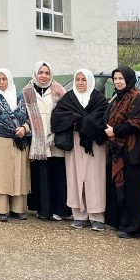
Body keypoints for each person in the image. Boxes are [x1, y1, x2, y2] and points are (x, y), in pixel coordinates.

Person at [51, 69, 109, 231]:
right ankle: (79, 215)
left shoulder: (99, 99)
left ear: (89, 81)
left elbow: (103, 118)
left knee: (95, 178)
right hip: (75, 143)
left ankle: (97, 216)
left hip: (94, 144)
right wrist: (82, 121)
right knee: (75, 177)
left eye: (84, 79)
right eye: (78, 79)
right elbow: (57, 117)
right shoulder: (68, 98)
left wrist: (80, 121)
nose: (80, 82)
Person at [103, 67, 140, 239]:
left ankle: (133, 227)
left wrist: (115, 131)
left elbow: (137, 123)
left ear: (128, 79)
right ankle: (120, 222)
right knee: (119, 188)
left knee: (133, 189)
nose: (117, 81)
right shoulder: (117, 97)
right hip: (116, 150)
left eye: (121, 78)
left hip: (131, 149)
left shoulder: (137, 97)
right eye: (115, 78)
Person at [0, 69, 30, 222]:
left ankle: (18, 208)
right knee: (1, 173)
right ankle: (0, 209)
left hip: (19, 140)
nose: (1, 82)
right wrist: (9, 127)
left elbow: (28, 118)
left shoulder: (19, 97)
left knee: (19, 173)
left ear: (9, 80)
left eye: (4, 79)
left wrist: (24, 128)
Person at [22, 61, 70, 221]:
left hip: (55, 140)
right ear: (35, 74)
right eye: (40, 72)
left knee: (57, 175)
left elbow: (66, 112)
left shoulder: (59, 90)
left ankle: (58, 210)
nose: (43, 76)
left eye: (47, 73)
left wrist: (57, 132)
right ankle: (42, 209)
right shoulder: (27, 91)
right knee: (40, 176)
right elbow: (24, 116)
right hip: (37, 141)